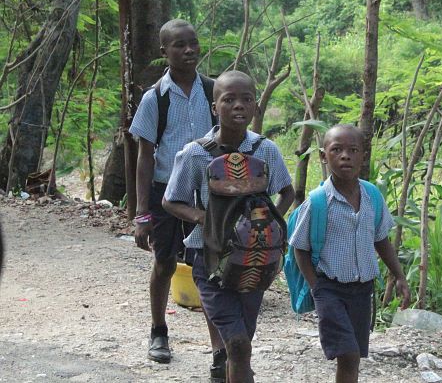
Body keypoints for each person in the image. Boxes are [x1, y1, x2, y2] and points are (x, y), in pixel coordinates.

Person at [163, 70, 295, 383]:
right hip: (207, 258)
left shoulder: (266, 150)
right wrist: (204, 218)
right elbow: (171, 201)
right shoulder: (195, 153)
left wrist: (267, 224)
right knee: (238, 344)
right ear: (214, 108)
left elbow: (287, 191)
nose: (238, 106)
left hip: (256, 261)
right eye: (229, 99)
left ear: (255, 107)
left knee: (242, 344)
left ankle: (225, 366)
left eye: (246, 99)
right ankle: (226, 360)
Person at [128, 19, 224, 373]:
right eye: (179, 45)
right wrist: (141, 213)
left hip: (207, 194)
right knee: (165, 263)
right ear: (163, 52)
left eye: (193, 43)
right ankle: (158, 331)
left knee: (209, 267)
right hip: (165, 192)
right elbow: (145, 155)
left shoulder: (213, 92)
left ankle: (219, 350)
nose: (189, 50)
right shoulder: (156, 98)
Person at [290, 124, 411, 383]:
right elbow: (299, 247)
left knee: (354, 356)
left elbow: (381, 239)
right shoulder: (318, 201)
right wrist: (317, 288)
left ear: (363, 155)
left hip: (362, 290)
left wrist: (398, 275)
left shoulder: (372, 196)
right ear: (324, 157)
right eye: (337, 150)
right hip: (330, 289)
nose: (345, 156)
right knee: (348, 353)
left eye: (353, 150)